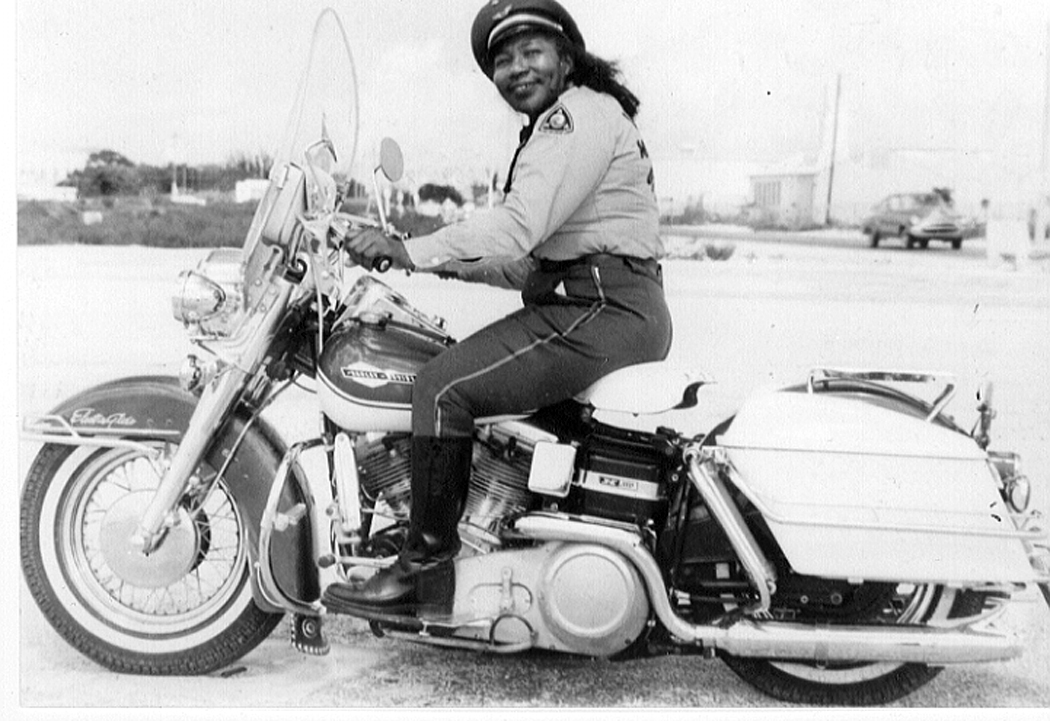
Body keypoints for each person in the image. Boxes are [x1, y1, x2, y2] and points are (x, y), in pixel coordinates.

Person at [327, 0, 673, 615]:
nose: (517, 69)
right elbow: (523, 262)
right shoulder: (569, 122)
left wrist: (410, 247)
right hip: (599, 303)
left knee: (442, 387)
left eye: (532, 52)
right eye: (503, 60)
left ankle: (424, 574)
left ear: (567, 59)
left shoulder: (576, 117)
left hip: (599, 312)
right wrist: (412, 261)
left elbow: (514, 230)